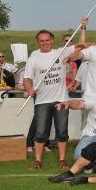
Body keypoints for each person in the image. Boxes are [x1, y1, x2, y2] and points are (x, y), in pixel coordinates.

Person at [24, 29, 76, 169]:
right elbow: (27, 79)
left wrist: (83, 27)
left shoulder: (61, 52)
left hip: (61, 99)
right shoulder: (33, 58)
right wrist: (29, 89)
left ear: (52, 41)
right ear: (38, 42)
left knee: (62, 131)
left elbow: (81, 45)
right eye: (42, 41)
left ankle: (62, 161)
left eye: (47, 40)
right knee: (40, 133)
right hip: (41, 101)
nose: (45, 43)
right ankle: (38, 162)